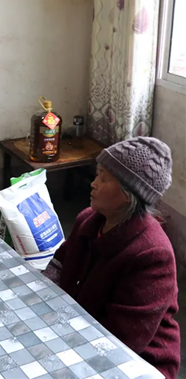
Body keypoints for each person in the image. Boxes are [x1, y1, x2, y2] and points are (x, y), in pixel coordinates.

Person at [42, 137, 180, 378]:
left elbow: (124, 339)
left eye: (104, 178)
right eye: (97, 175)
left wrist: (59, 339)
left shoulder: (152, 255)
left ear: (128, 194)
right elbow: (59, 265)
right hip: (79, 331)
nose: (93, 184)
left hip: (137, 359)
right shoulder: (88, 220)